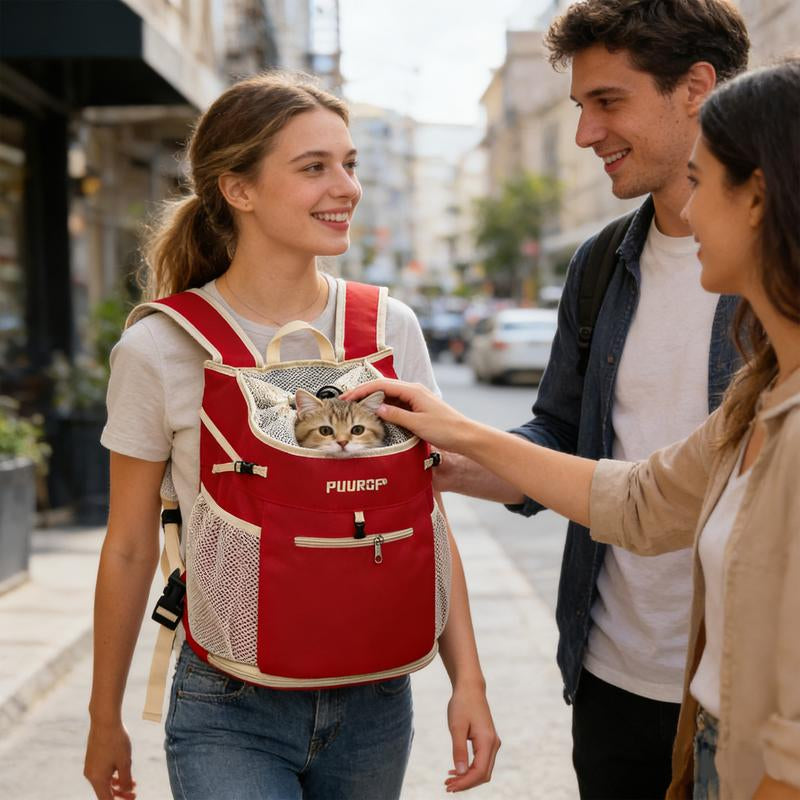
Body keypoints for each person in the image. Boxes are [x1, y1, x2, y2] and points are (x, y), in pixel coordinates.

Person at [345, 58, 800, 800]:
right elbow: (640, 499)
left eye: (704, 178)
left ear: (758, 199)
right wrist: (459, 439)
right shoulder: (757, 392)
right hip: (686, 722)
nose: (693, 204)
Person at [83, 72, 500, 800]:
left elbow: (424, 514)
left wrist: (469, 682)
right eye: (314, 168)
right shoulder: (160, 347)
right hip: (228, 703)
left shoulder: (387, 329)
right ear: (237, 189)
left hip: (376, 697)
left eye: (349, 164)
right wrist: (103, 715)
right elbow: (127, 544)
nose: (346, 187)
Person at [433, 1, 750, 796]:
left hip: (746, 685)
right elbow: (564, 440)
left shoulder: (775, 264)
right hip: (614, 679)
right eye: (580, 108)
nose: (585, 134)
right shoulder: (602, 262)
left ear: (696, 88)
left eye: (608, 102)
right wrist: (450, 457)